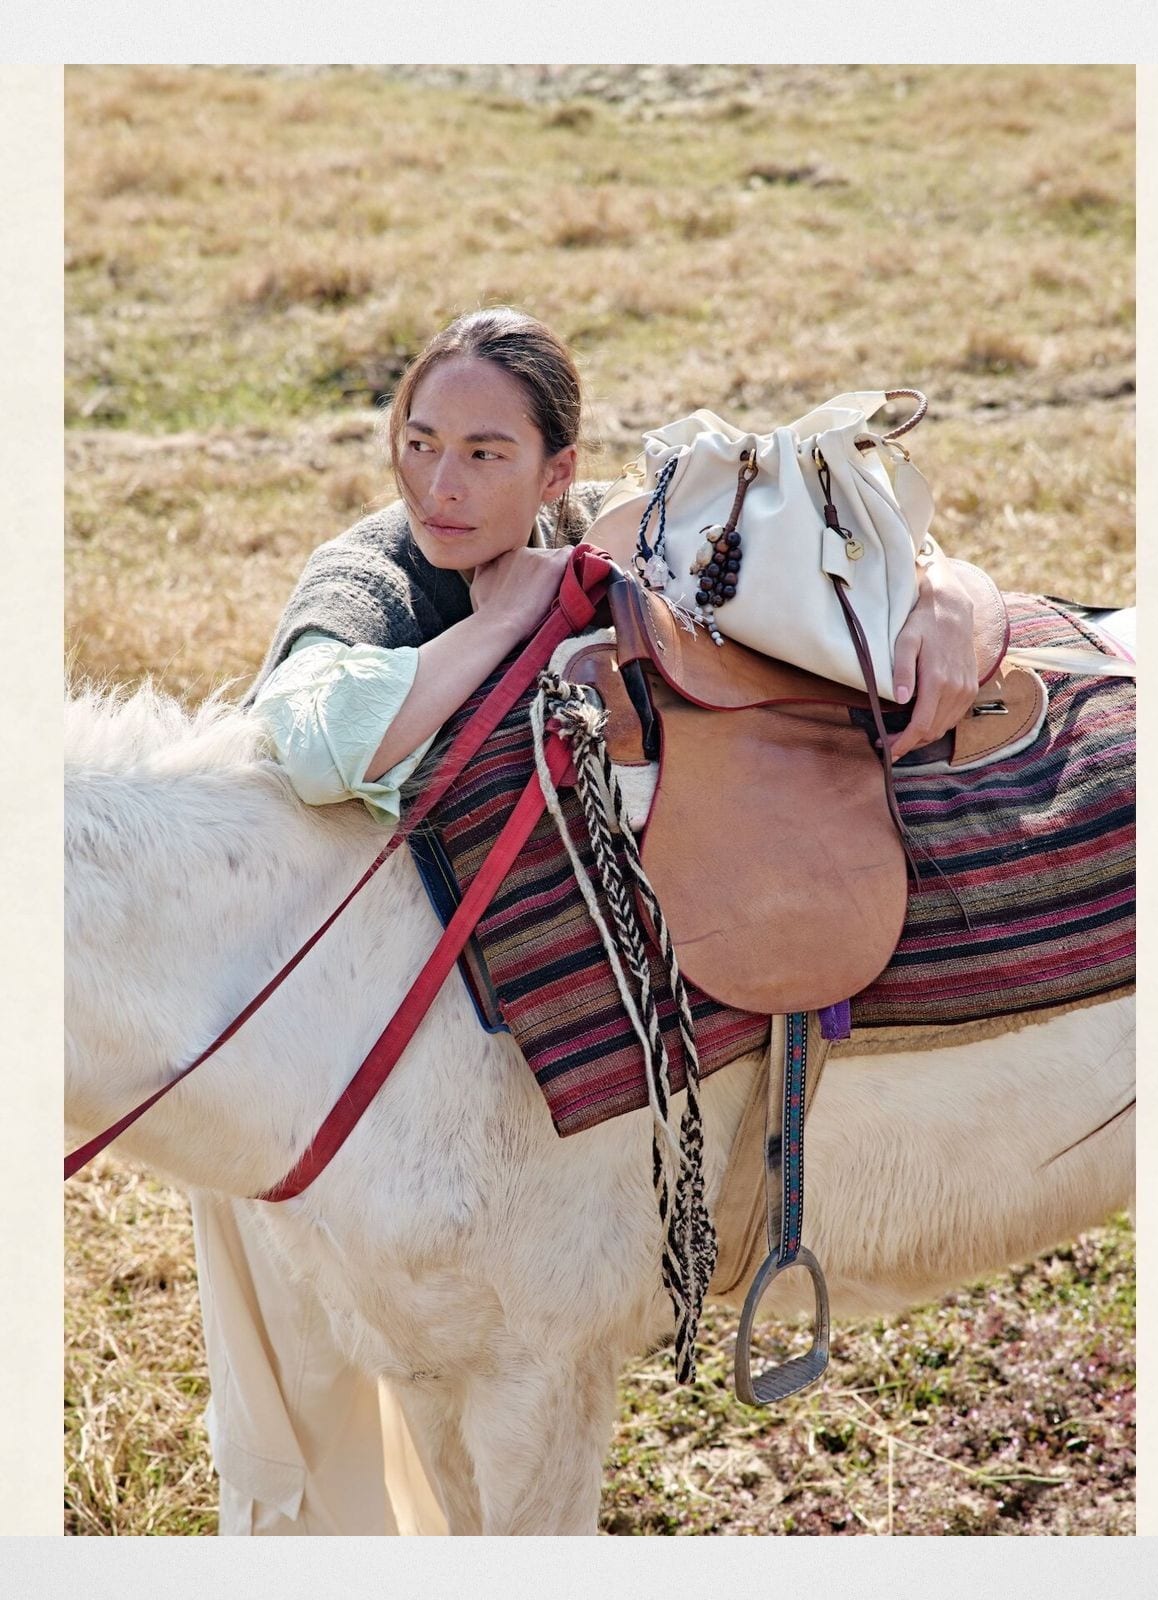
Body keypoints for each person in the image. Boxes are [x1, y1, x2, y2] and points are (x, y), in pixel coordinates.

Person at [194, 306, 982, 1535]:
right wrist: (507, 621)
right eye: (419, 441)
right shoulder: (371, 573)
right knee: (352, 1379)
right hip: (329, 1055)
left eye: (486, 453)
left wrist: (947, 595)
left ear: (558, 469)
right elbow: (315, 736)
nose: (441, 484)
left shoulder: (615, 522)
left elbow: (826, 534)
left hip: (465, 1054)